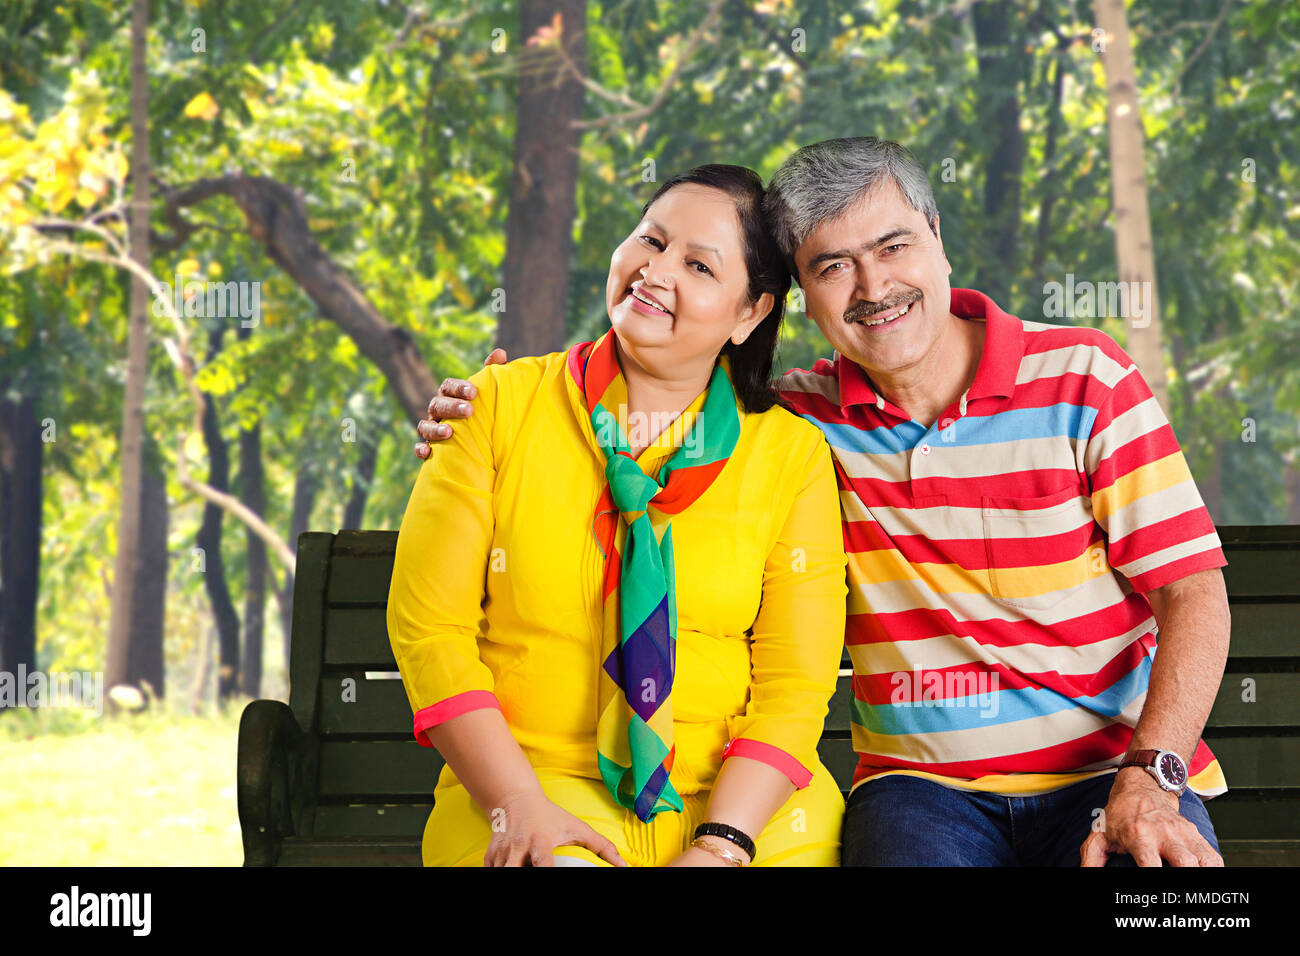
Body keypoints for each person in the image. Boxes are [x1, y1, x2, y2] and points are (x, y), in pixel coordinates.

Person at [418, 137, 1231, 867]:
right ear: (796, 295)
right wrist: (492, 407)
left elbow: (1193, 592)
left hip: (1113, 771)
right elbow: (656, 391)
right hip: (925, 794)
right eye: (831, 266)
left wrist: (1151, 775)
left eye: (892, 246)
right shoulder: (800, 423)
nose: (873, 287)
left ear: (939, 239)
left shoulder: (1086, 379)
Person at [387, 164, 849, 867]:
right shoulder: (497, 408)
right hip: (533, 787)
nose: (655, 273)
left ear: (749, 312)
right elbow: (430, 631)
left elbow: (795, 685)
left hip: (745, 806)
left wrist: (722, 847)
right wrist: (519, 803)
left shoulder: (790, 455)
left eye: (698, 265)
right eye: (650, 241)